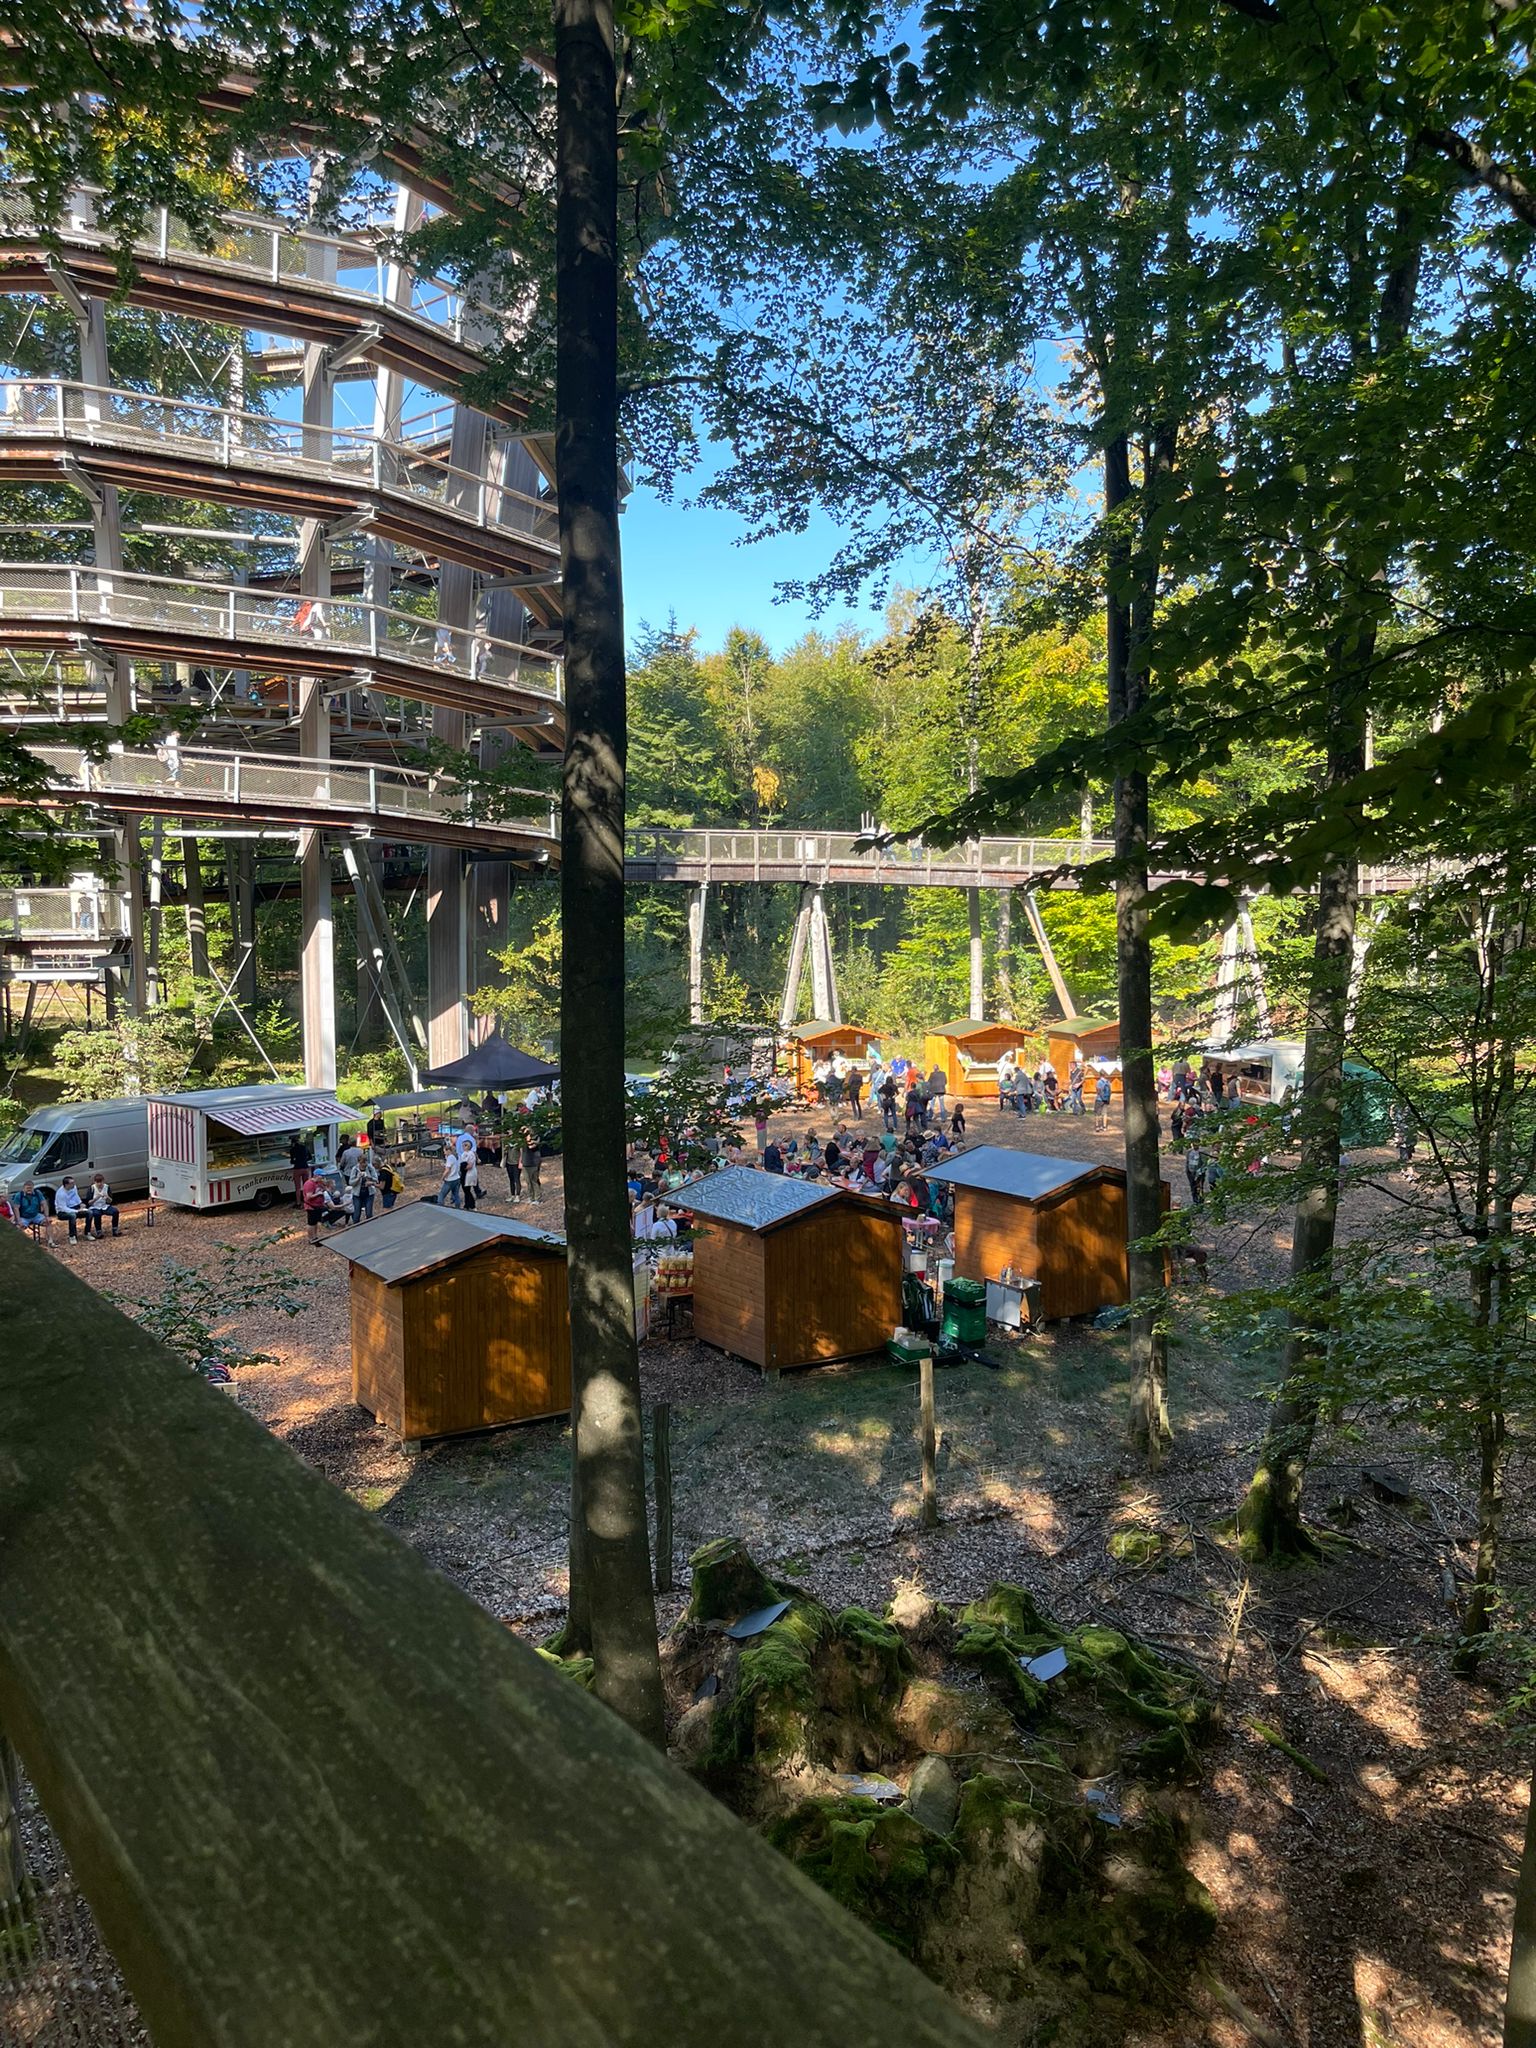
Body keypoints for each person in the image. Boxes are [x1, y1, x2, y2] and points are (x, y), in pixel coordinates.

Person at [345, 1149, 379, 1225]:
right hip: (357, 1194)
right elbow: (351, 1182)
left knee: (369, 1213)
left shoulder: (370, 1168)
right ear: (359, 1162)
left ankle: (369, 1226)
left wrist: (369, 1178)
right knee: (356, 1215)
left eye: (365, 1162)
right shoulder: (355, 1169)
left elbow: (376, 1179)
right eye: (362, 1163)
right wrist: (358, 1178)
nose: (364, 1164)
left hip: (369, 1193)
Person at [85, 1172, 121, 1238]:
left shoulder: (107, 1187)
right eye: (97, 1182)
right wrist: (96, 1198)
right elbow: (89, 1203)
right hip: (94, 1206)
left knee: (115, 1211)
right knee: (97, 1214)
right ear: (94, 1182)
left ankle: (115, 1229)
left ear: (103, 1181)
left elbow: (110, 1201)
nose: (99, 1184)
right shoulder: (91, 1188)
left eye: (101, 1182)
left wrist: (107, 1197)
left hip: (104, 1206)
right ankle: (99, 1231)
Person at [54, 1175, 86, 1244]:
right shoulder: (60, 1194)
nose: (74, 1184)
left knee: (90, 1212)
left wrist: (80, 1203)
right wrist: (77, 1211)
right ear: (66, 1185)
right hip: (62, 1212)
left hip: (74, 1207)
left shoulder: (73, 1187)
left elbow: (76, 1196)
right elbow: (64, 1208)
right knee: (72, 1216)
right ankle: (72, 1236)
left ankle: (87, 1232)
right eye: (72, 1183)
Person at [519, 1125, 543, 1201]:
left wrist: (529, 1140)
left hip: (534, 1162)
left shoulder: (536, 1138)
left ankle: (537, 1198)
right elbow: (521, 1150)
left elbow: (531, 1147)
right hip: (525, 1162)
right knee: (528, 1181)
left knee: (534, 1180)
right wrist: (520, 1161)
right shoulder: (522, 1140)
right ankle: (531, 1197)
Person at [436, 1141, 463, 1207]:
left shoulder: (450, 1158)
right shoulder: (454, 1157)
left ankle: (440, 1206)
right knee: (456, 1195)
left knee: (441, 1195)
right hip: (457, 1178)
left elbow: (447, 1170)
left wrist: (442, 1177)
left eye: (444, 1151)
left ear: (448, 1150)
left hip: (450, 1180)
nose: (444, 1152)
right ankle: (457, 1207)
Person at [288, 1131, 313, 1198]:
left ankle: (298, 1203)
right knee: (306, 1186)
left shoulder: (292, 1150)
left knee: (298, 1188)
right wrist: (304, 1160)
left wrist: (295, 1162)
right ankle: (306, 1200)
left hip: (297, 1169)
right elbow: (310, 1157)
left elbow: (292, 1161)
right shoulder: (304, 1147)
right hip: (305, 1168)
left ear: (293, 1142)